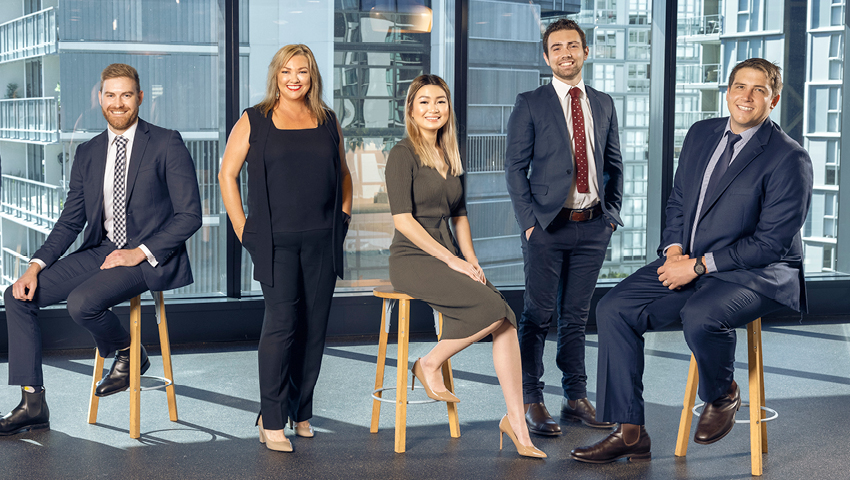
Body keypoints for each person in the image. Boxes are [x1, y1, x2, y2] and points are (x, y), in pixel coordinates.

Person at [572, 58, 813, 463]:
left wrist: (699, 266)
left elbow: (771, 245)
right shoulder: (702, 133)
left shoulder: (789, 158)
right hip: (690, 261)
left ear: (772, 100)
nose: (747, 96)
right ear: (728, 92)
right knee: (614, 308)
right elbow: (679, 202)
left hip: (757, 274)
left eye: (758, 90)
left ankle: (722, 394)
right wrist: (673, 250)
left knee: (701, 316)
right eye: (740, 87)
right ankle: (630, 432)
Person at [0, 63, 202, 435]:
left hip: (147, 257)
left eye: (126, 95)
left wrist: (138, 252)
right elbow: (70, 221)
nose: (118, 103)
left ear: (139, 98)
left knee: (82, 303)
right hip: (103, 249)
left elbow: (190, 215)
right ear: (100, 98)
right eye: (111, 95)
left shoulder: (166, 142)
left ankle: (129, 353)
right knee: (17, 297)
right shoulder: (89, 152)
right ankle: (32, 403)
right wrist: (34, 267)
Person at [385, 74, 545, 458]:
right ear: (411, 110)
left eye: (440, 101)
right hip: (412, 258)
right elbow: (402, 220)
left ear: (448, 109)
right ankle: (428, 363)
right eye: (424, 102)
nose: (433, 108)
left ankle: (517, 425)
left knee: (506, 321)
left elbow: (460, 216)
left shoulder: (450, 156)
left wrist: (471, 260)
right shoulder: (402, 154)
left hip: (450, 255)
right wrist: (452, 260)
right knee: (494, 309)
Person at [218, 44, 352, 453]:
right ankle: (272, 419)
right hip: (274, 242)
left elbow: (344, 174)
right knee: (282, 325)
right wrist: (243, 230)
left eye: (303, 71)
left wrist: (343, 218)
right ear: (276, 75)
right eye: (287, 71)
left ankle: (300, 411)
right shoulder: (255, 119)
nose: (295, 79)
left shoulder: (328, 120)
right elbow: (227, 174)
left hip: (322, 240)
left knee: (313, 330)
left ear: (313, 77)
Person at [505, 18, 622, 436]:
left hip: (593, 227)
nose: (565, 53)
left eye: (572, 45)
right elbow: (514, 169)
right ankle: (531, 400)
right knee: (537, 315)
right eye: (556, 48)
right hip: (547, 227)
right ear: (546, 57)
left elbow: (614, 165)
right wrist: (529, 224)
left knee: (575, 317)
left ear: (585, 51)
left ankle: (575, 398)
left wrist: (610, 217)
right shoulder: (530, 103)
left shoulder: (603, 103)